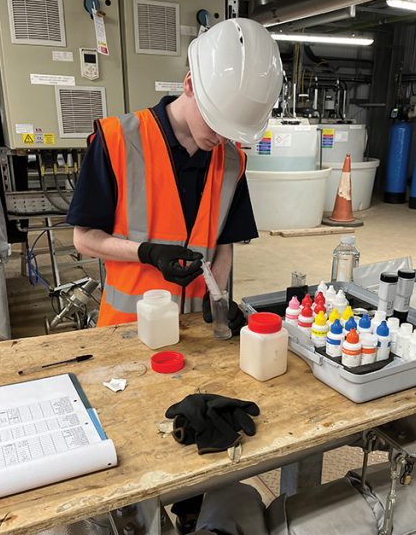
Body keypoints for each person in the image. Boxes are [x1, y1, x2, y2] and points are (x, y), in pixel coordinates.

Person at [67, 18, 283, 326]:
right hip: (127, 330)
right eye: (215, 122)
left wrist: (217, 297)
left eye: (231, 131)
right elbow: (84, 238)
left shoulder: (232, 161)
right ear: (190, 85)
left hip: (195, 331)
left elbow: (225, 244)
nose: (221, 138)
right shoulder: (117, 140)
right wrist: (147, 253)